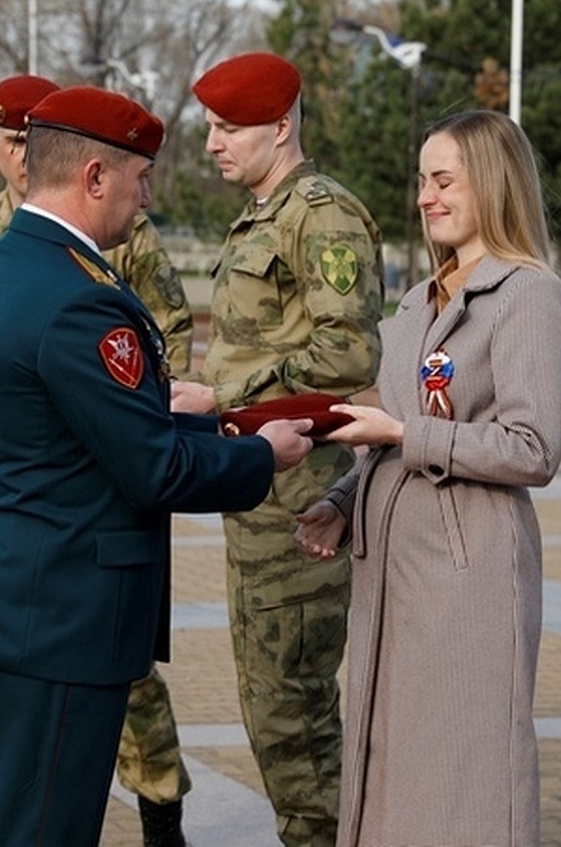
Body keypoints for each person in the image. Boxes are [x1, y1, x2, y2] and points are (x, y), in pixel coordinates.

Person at [0, 84, 314, 846]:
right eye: (140, 179)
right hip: (60, 619)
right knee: (41, 830)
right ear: (94, 177)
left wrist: (157, 407)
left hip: (1, 602)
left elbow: (52, 424)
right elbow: (154, 472)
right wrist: (259, 455)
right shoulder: (79, 299)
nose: (146, 199)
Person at [0, 74, 195, 847]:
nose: (24, 156)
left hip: (87, 498)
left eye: (35, 140)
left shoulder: (119, 241)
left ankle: (162, 816)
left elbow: (157, 352)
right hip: (11, 509)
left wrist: (158, 409)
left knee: (119, 697)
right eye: (13, 141)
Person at [295, 109, 561, 846]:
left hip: (468, 580)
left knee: (465, 779)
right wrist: (342, 502)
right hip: (392, 576)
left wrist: (402, 432)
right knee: (391, 769)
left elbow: (532, 448)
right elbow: (389, 429)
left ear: (490, 182)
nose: (425, 196)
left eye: (444, 179)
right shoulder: (419, 301)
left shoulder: (527, 297)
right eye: (422, 180)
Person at [171, 51, 384, 845]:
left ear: (281, 127)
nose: (212, 144)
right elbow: (261, 348)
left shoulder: (319, 214)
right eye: (212, 128)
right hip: (259, 491)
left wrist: (226, 399)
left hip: (300, 499)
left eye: (229, 128)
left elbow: (348, 356)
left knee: (292, 711)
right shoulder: (266, 212)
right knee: (270, 704)